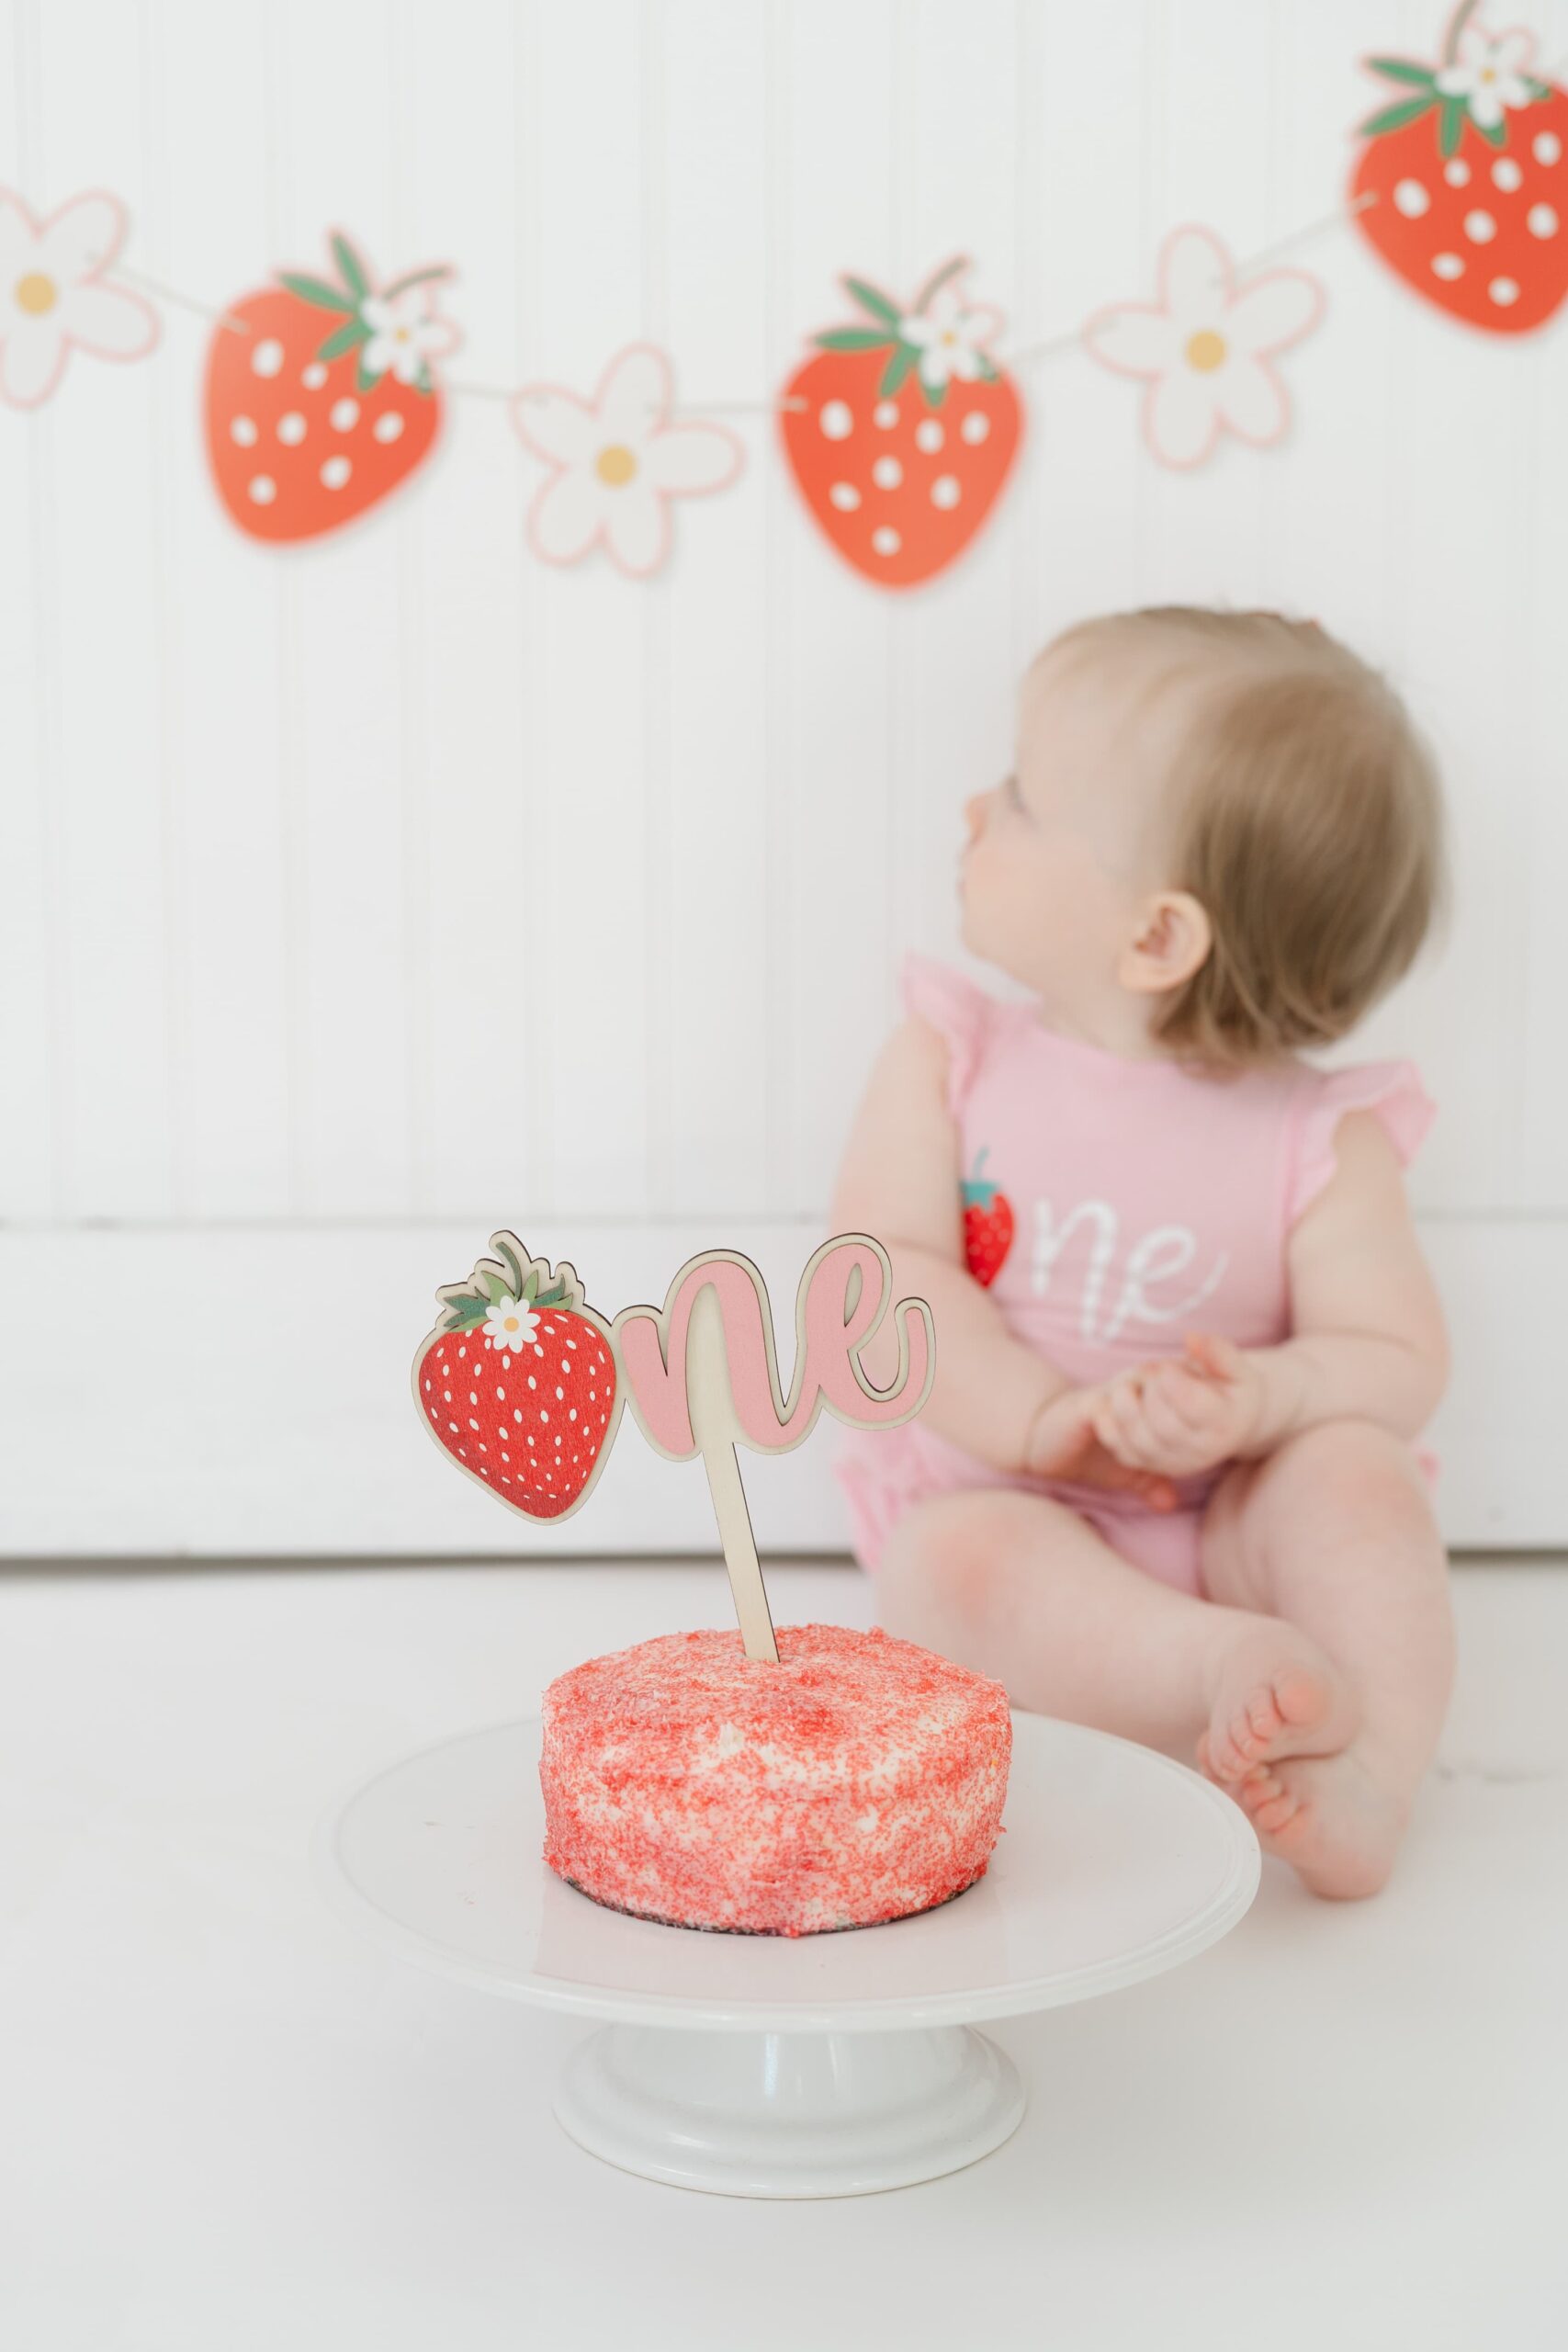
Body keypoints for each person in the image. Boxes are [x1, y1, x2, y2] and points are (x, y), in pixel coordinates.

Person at [831, 607, 1452, 1899]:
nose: (971, 809)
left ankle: (1372, 1770)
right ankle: (1211, 1671)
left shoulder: (1320, 1136)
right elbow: (877, 1281)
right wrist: (1043, 1417)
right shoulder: (953, 1058)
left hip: (1230, 1514)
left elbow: (1396, 1361)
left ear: (1158, 937)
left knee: (1358, 1476)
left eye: (1017, 795)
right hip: (1018, 1506)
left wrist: (1270, 1399)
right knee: (944, 1567)